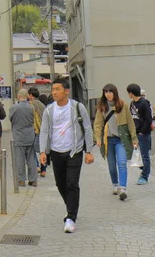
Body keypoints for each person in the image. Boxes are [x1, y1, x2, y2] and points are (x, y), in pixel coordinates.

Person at [39, 78, 94, 234]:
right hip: (56, 151)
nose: (54, 92)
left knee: (72, 183)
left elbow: (87, 128)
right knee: (60, 184)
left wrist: (88, 151)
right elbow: (44, 131)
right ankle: (71, 206)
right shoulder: (49, 110)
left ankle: (71, 217)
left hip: (74, 151)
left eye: (57, 89)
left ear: (66, 91)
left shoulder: (77, 107)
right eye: (53, 89)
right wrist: (43, 151)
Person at [94, 84, 138, 200]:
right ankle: (115, 184)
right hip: (108, 140)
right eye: (105, 92)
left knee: (122, 163)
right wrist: (97, 138)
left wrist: (134, 139)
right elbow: (98, 124)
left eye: (110, 92)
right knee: (112, 165)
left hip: (120, 139)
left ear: (115, 93)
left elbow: (130, 123)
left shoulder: (123, 105)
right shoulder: (101, 107)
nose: (108, 94)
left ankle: (123, 188)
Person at [10, 89, 38, 187]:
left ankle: (21, 180)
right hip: (30, 135)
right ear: (27, 96)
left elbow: (11, 119)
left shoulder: (14, 107)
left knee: (19, 159)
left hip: (18, 136)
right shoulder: (31, 107)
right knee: (32, 159)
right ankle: (33, 180)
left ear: (18, 96)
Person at [127, 83, 152, 185]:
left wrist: (142, 132)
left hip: (143, 134)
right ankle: (144, 168)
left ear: (131, 93)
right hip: (135, 133)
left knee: (144, 155)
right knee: (135, 154)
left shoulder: (144, 103)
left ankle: (144, 176)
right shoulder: (132, 104)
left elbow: (148, 119)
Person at [28, 88, 47, 177]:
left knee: (32, 149)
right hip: (43, 129)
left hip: (34, 130)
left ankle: (37, 165)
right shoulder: (42, 105)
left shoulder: (30, 104)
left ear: (31, 95)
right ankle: (44, 170)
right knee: (42, 150)